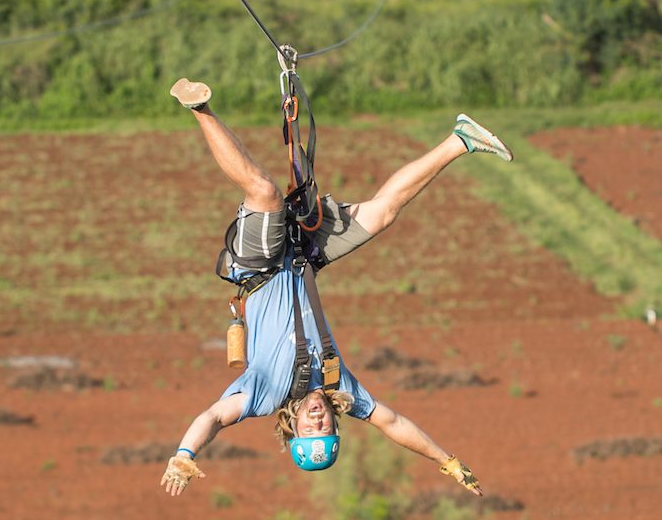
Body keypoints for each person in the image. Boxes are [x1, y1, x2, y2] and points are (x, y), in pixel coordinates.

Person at [158, 78, 509, 498]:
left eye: (310, 430)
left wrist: (186, 453)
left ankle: (199, 108)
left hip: (260, 265)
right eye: (324, 430)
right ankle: (461, 139)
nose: (318, 423)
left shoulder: (262, 396)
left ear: (293, 429)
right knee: (382, 214)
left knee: (266, 193)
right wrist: (445, 460)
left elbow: (214, 417)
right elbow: (392, 423)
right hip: (304, 257)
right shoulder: (343, 389)